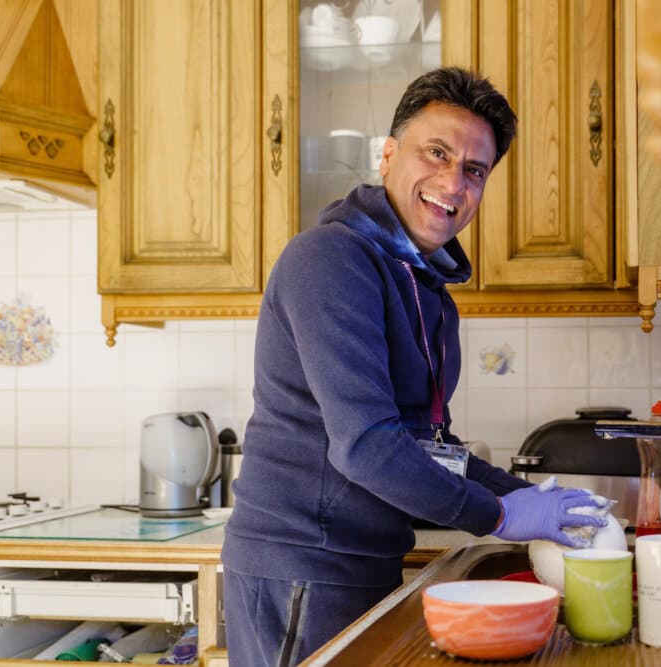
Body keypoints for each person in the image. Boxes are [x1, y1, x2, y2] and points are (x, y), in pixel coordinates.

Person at [222, 67, 610, 667]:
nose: (452, 182)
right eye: (437, 152)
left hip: (361, 562)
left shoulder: (426, 286)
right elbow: (368, 446)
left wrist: (530, 497)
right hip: (301, 565)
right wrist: (503, 514)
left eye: (474, 170)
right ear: (387, 154)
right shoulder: (329, 259)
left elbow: (429, 444)